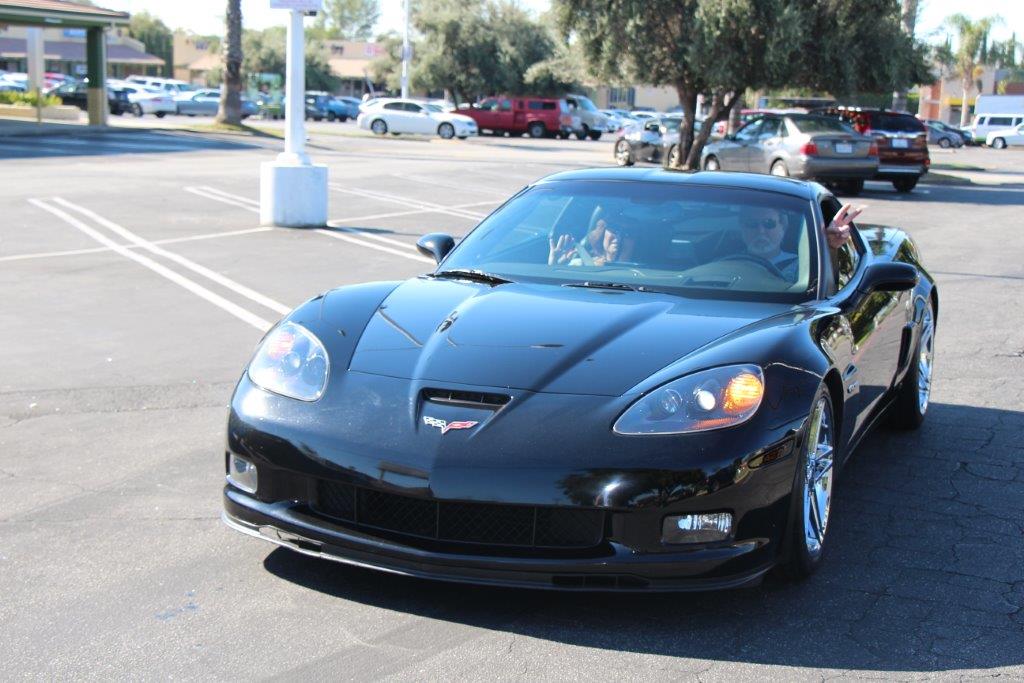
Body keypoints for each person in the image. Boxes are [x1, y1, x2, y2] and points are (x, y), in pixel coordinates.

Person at [738, 203, 862, 281]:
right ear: (741, 228)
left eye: (769, 223)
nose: (761, 231)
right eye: (751, 224)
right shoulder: (722, 264)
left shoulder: (806, 267)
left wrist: (828, 246)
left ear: (783, 226)